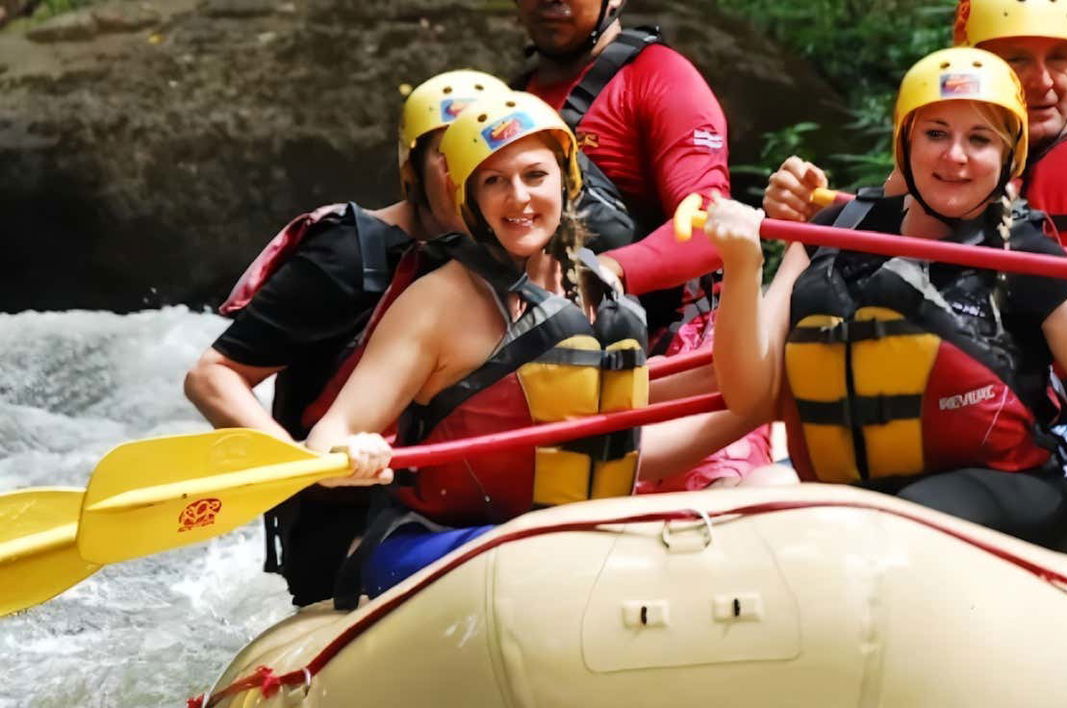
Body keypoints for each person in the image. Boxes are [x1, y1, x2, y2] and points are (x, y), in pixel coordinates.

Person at [705, 48, 1067, 555]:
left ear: (1009, 155)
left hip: (1017, 493)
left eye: (981, 140)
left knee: (903, 514)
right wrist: (742, 264)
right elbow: (750, 396)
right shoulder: (833, 233)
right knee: (752, 492)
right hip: (863, 492)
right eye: (935, 133)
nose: (956, 157)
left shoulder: (1026, 257)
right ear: (905, 143)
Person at [303, 91, 653, 603]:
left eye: (535, 176)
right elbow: (327, 435)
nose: (519, 198)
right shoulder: (438, 301)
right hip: (431, 544)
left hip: (559, 544)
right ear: (470, 199)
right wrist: (349, 451)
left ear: (566, 180)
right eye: (495, 181)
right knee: (541, 556)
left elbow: (622, 443)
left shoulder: (596, 286)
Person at [183, 70, 510, 607]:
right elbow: (213, 376)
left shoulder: (515, 262)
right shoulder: (347, 256)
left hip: (452, 500)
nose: (466, 173)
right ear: (412, 169)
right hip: (347, 512)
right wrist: (297, 465)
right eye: (446, 155)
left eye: (483, 157)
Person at [513, 0, 772, 491]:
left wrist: (604, 271)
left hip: (682, 352)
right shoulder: (512, 102)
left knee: (721, 505)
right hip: (571, 366)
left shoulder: (660, 77)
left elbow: (706, 227)